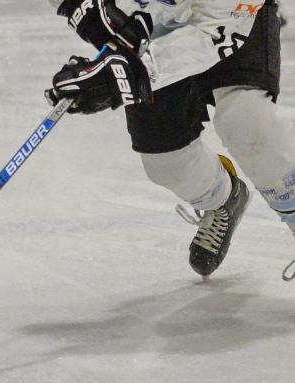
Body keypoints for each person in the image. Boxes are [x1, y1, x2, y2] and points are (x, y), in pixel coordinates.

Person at [46, 0, 293, 279]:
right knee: (168, 165)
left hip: (232, 20)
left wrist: (131, 74)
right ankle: (225, 199)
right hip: (148, 25)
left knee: (248, 123)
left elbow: (215, 32)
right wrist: (85, 9)